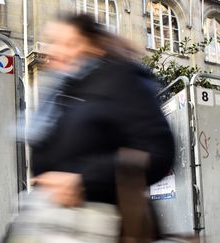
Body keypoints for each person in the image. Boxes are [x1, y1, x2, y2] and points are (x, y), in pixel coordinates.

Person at [11, 13, 175, 242]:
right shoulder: (59, 94)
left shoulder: (122, 79)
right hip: (49, 223)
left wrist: (82, 180)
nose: (57, 51)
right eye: (53, 42)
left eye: (70, 43)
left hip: (104, 225)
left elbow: (159, 152)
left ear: (95, 47)